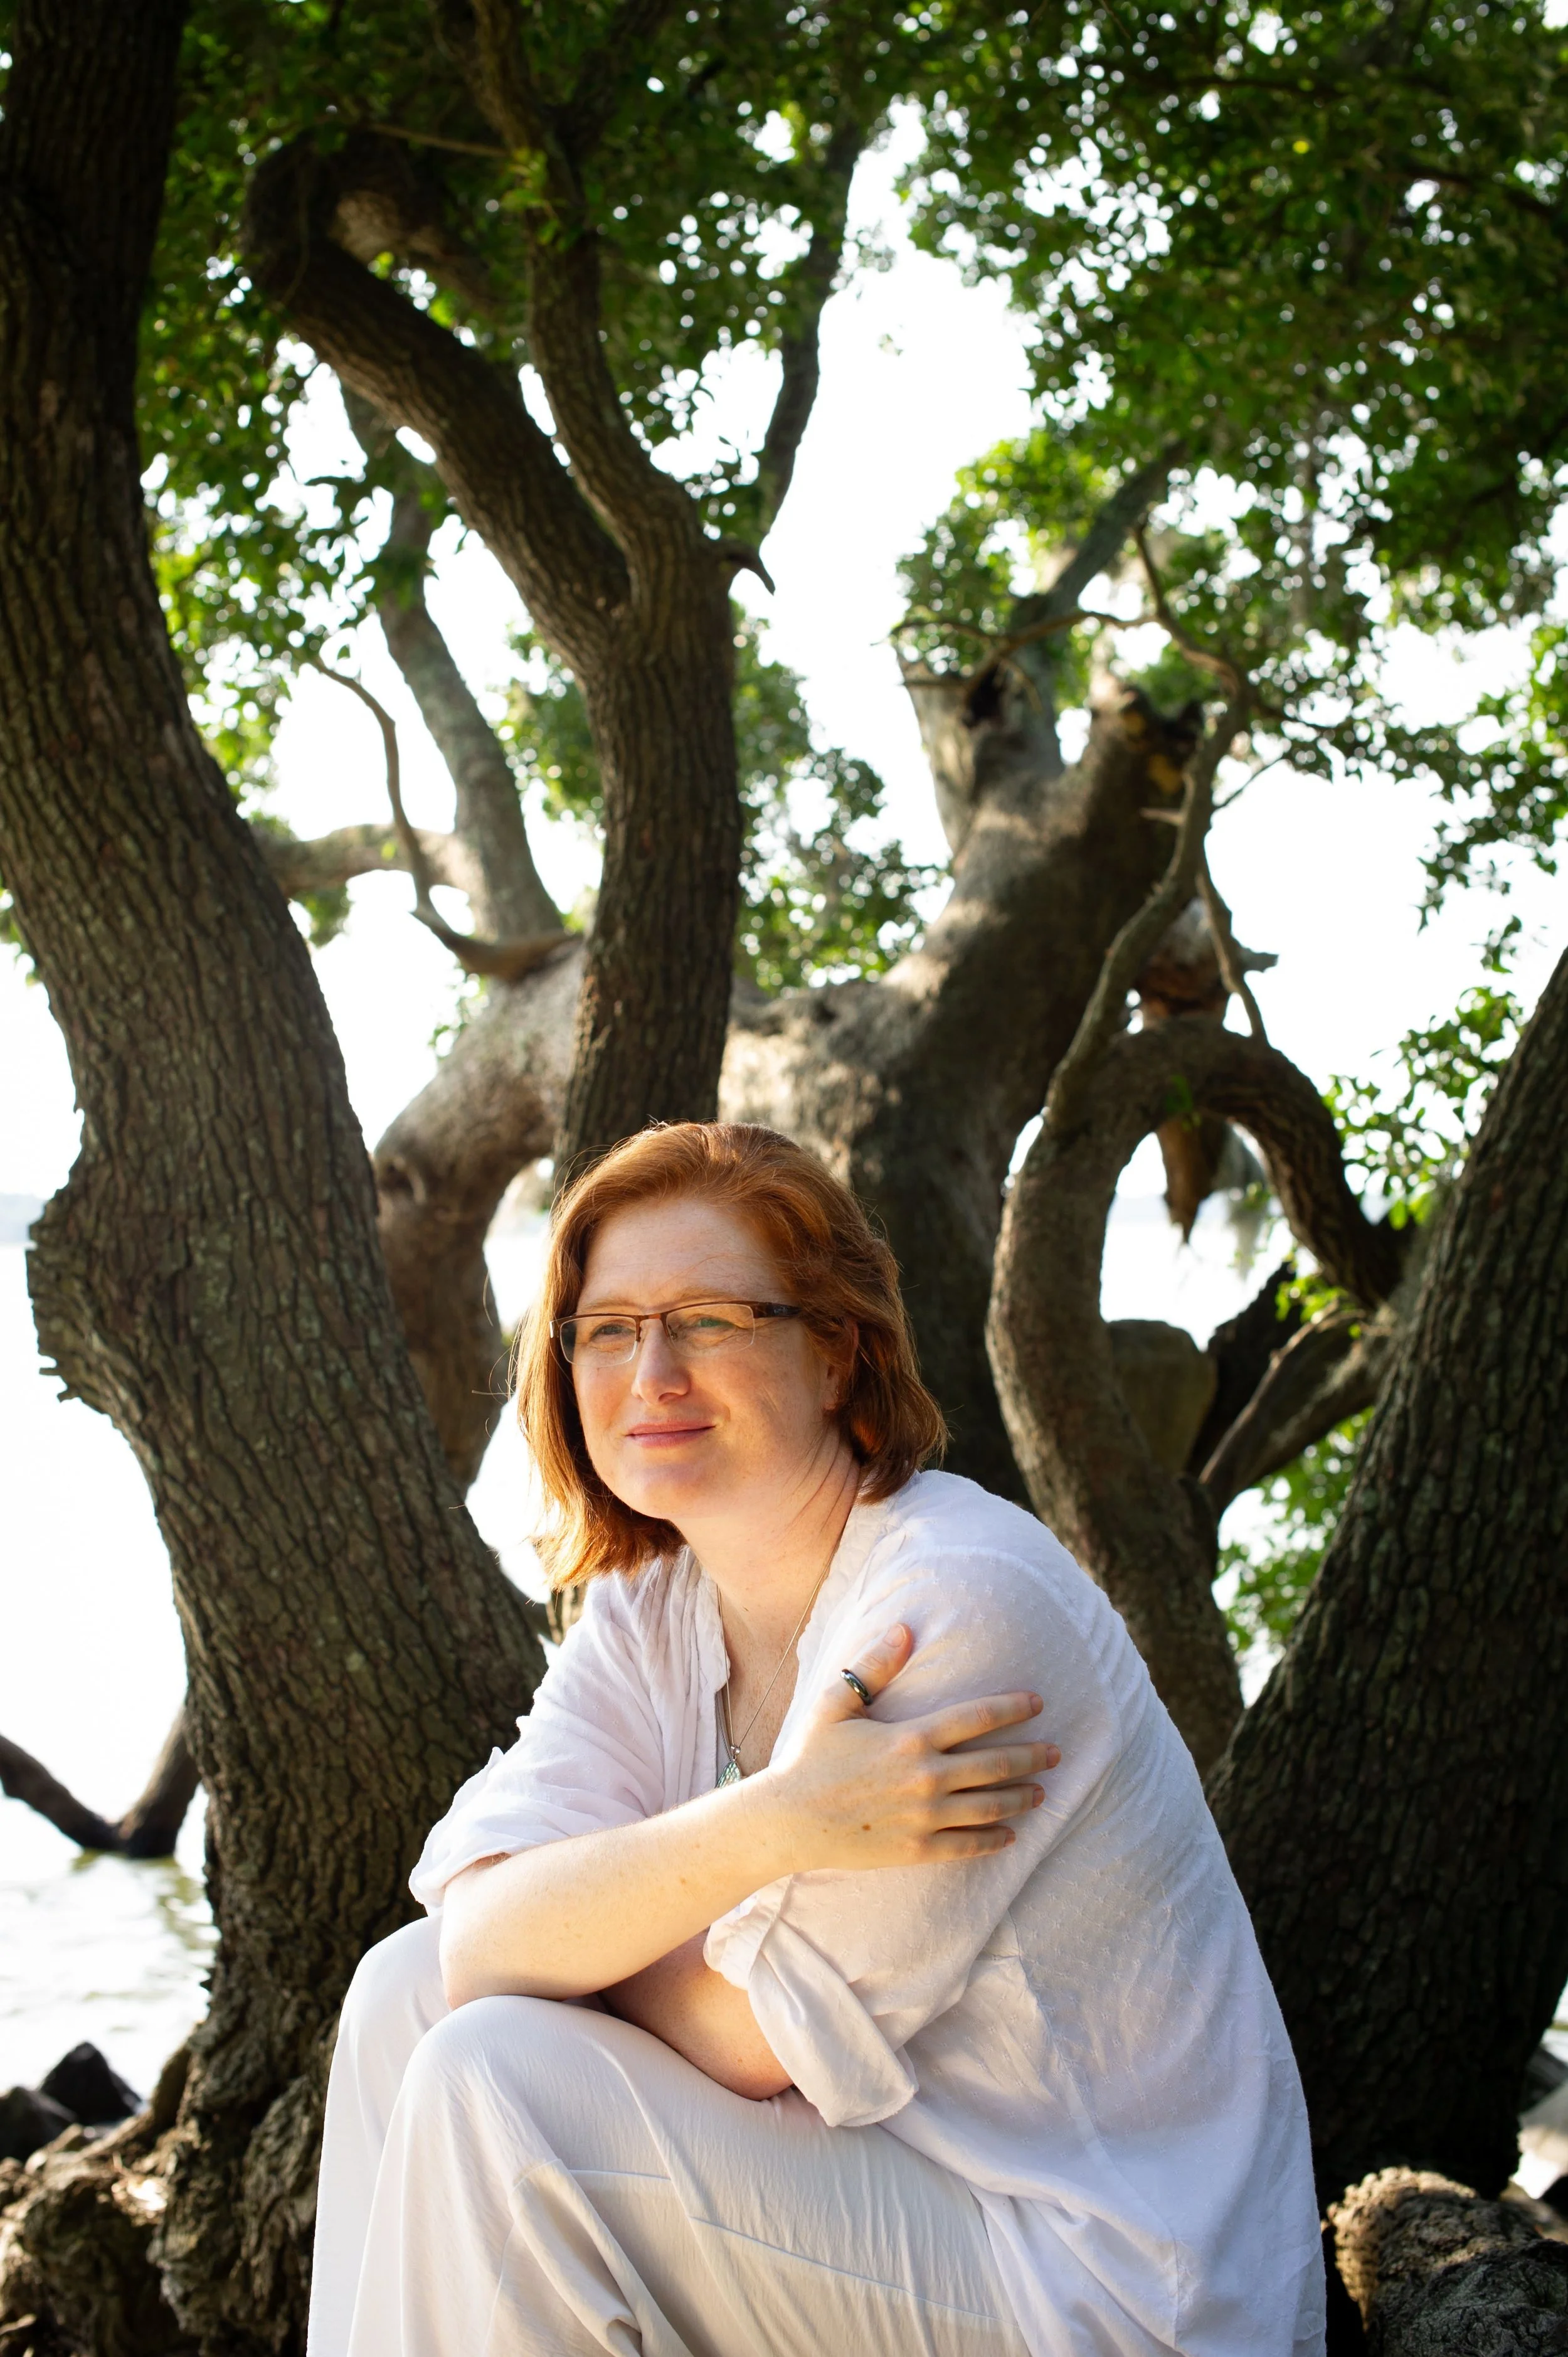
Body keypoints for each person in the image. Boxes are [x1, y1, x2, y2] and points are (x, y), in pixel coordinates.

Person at [308, 1122, 1324, 2357]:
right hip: (876, 2197)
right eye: (610, 1328)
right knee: (400, 1997)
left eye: (710, 1321)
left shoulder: (950, 1605)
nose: (652, 1374)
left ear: (837, 1352)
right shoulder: (653, 1608)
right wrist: (773, 1819)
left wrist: (580, 1929)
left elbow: (746, 2037)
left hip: (1097, 2281)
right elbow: (472, 1940)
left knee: (495, 2081)